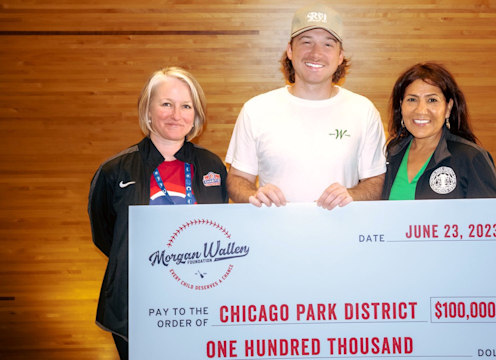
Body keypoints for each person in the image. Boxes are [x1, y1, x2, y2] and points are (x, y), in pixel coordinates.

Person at [382, 62, 496, 349]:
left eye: (433, 100)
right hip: (400, 292)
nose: (421, 110)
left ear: (449, 108)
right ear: (401, 107)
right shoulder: (391, 154)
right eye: (411, 99)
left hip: (453, 295)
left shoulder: (469, 157)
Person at [87, 67, 228, 359]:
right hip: (135, 304)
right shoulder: (115, 170)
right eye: (166, 103)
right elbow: (108, 237)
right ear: (148, 111)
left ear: (195, 115)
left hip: (198, 301)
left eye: (186, 106)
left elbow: (220, 229)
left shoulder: (212, 166)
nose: (176, 114)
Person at [225, 3, 386, 210]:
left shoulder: (363, 111)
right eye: (306, 42)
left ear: (339, 57)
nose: (316, 53)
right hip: (273, 235)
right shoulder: (255, 110)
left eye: (328, 44)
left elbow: (376, 181)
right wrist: (253, 194)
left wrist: (351, 194)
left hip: (342, 236)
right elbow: (237, 179)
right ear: (290, 50)